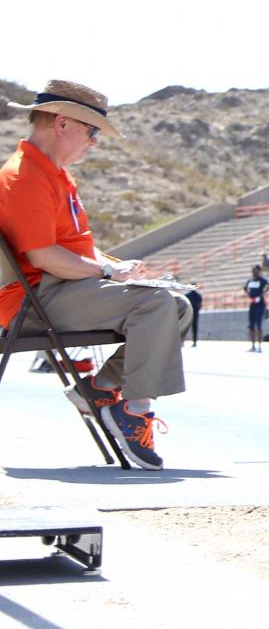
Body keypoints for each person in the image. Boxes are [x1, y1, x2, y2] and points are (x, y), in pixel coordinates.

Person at [0, 81, 193, 470]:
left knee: (177, 307)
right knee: (154, 304)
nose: (94, 143)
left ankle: (100, 390)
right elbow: (44, 256)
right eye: (92, 132)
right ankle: (134, 412)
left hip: (62, 289)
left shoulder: (54, 174)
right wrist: (107, 270)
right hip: (33, 301)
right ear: (62, 123)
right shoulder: (25, 176)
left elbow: (73, 248)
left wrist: (118, 266)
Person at [244, 264, 269, 353]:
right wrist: (249, 294)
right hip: (253, 304)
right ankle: (253, 345)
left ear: (259, 271)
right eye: (253, 271)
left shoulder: (262, 280)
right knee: (251, 325)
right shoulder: (250, 281)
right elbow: (245, 288)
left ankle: (259, 345)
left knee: (258, 325)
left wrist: (263, 292)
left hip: (260, 304)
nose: (254, 273)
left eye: (255, 271)